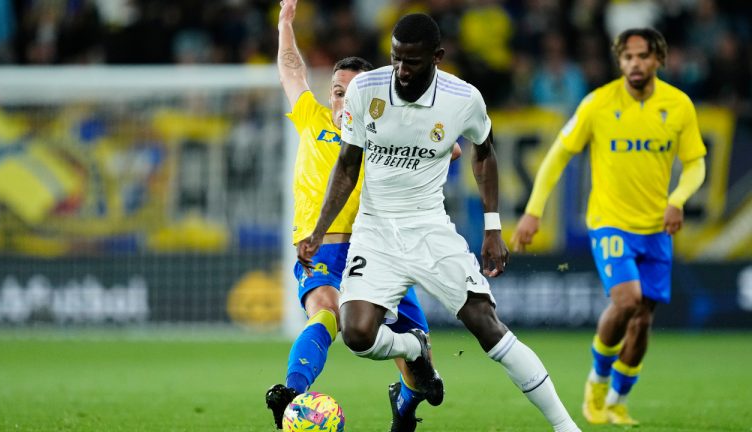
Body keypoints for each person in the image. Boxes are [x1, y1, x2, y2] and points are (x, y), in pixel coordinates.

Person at [298, 13, 580, 432]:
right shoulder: (365, 89)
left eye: (412, 61)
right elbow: (347, 163)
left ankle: (564, 426)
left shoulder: (462, 98)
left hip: (429, 229)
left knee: (487, 327)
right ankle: (414, 347)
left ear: (437, 57)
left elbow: (484, 153)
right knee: (357, 335)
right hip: (375, 232)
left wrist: (492, 227)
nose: (402, 70)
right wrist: (319, 230)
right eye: (396, 59)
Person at [266, 2, 451, 430]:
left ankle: (404, 409)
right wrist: (286, 22)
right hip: (325, 248)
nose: (341, 97)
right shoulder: (313, 120)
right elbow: (292, 70)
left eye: (351, 91)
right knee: (326, 311)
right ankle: (292, 392)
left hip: (382, 251)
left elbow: (448, 146)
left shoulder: (386, 133)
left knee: (423, 372)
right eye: (336, 89)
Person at [512, 28, 706, 426]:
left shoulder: (679, 105)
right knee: (627, 300)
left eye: (642, 56)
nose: (635, 63)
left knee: (644, 319)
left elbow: (696, 163)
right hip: (610, 223)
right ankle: (597, 380)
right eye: (628, 57)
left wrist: (677, 199)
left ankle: (616, 399)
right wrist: (533, 211)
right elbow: (556, 156)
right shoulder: (598, 103)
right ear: (620, 62)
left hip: (656, 229)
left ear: (658, 60)